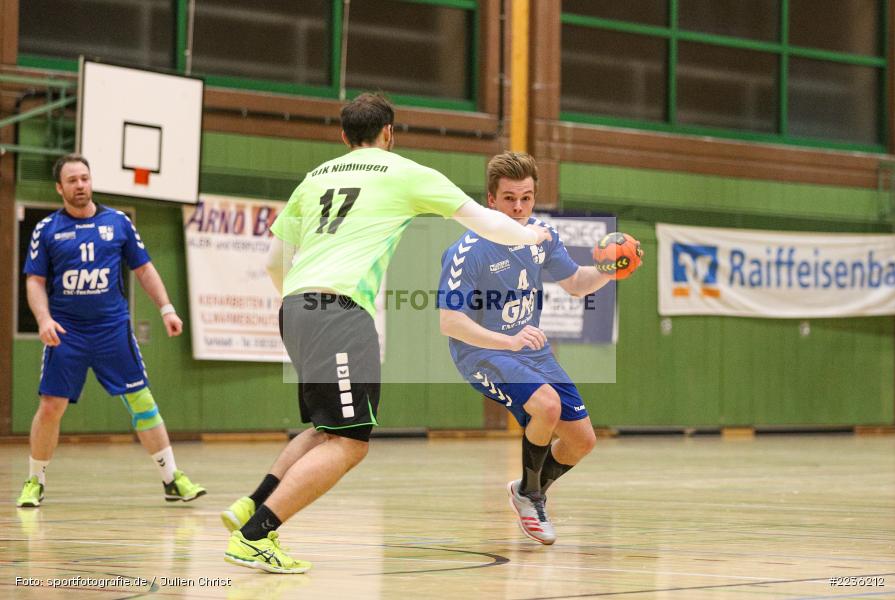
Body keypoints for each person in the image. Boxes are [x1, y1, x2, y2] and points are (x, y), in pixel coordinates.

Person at [221, 93, 551, 574]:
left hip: (296, 307)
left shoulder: (314, 178)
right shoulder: (404, 172)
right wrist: (532, 236)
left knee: (324, 428)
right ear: (389, 133)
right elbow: (486, 222)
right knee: (350, 442)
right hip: (338, 310)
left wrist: (301, 303)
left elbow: (275, 262)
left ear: (343, 137)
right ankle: (256, 536)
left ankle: (253, 504)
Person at [436, 152, 642, 544]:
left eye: (526, 198)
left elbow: (577, 284)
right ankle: (532, 497)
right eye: (509, 198)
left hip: (530, 351)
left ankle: (525, 490)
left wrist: (609, 269)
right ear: (490, 201)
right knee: (546, 405)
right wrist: (508, 340)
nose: (518, 208)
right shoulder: (468, 251)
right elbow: (451, 322)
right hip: (482, 352)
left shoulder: (541, 237)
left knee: (582, 440)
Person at [16, 154, 206, 508]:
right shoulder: (48, 229)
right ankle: (34, 481)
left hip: (111, 330)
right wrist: (43, 319)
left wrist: (166, 309)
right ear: (60, 188)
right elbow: (35, 281)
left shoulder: (117, 223)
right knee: (51, 406)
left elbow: (145, 269)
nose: (80, 186)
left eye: (85, 178)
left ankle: (172, 480)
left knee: (142, 401)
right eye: (72, 180)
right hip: (66, 332)